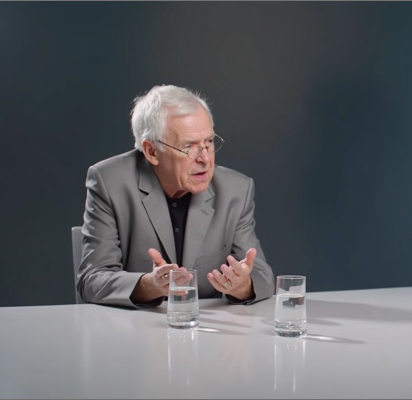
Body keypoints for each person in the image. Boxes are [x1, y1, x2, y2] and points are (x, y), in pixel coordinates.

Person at [77, 84, 275, 308]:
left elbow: (262, 277)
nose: (205, 159)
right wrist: (149, 285)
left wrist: (243, 285)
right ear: (151, 151)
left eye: (209, 142)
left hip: (205, 325)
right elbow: (92, 279)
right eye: (189, 146)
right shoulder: (110, 182)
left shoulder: (236, 190)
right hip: (136, 324)